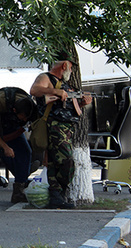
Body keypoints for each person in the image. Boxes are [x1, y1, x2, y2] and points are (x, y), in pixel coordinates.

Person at [30, 51, 92, 209]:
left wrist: (83, 103)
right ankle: (57, 193)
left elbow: (72, 108)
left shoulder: (66, 85)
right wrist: (55, 91)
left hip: (66, 128)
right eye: (70, 67)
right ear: (64, 65)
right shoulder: (47, 78)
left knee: (56, 162)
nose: (71, 71)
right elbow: (35, 90)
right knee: (65, 161)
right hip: (54, 126)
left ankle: (57, 195)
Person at [0, 87, 37, 207]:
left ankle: (18, 191)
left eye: (26, 118)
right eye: (22, 117)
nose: (24, 120)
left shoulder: (30, 107)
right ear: (14, 110)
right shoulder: (0, 102)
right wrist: (5, 146)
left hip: (10, 122)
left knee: (25, 151)